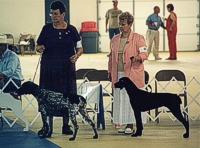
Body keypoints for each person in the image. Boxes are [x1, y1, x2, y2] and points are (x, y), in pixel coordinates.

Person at [36, 0, 83, 135]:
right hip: (49, 68)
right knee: (47, 96)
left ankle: (66, 126)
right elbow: (38, 45)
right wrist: (40, 48)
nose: (53, 17)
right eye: (51, 14)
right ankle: (47, 126)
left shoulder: (72, 30)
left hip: (66, 68)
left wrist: (76, 56)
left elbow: (80, 48)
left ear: (63, 14)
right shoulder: (46, 29)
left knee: (67, 96)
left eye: (56, 14)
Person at [108, 12, 148, 134]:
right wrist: (109, 71)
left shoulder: (138, 38)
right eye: (120, 24)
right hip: (118, 74)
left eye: (123, 24)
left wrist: (137, 58)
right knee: (120, 99)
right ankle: (124, 123)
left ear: (130, 24)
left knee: (132, 99)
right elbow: (111, 57)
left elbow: (145, 53)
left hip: (132, 74)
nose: (121, 26)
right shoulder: (115, 39)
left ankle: (131, 124)